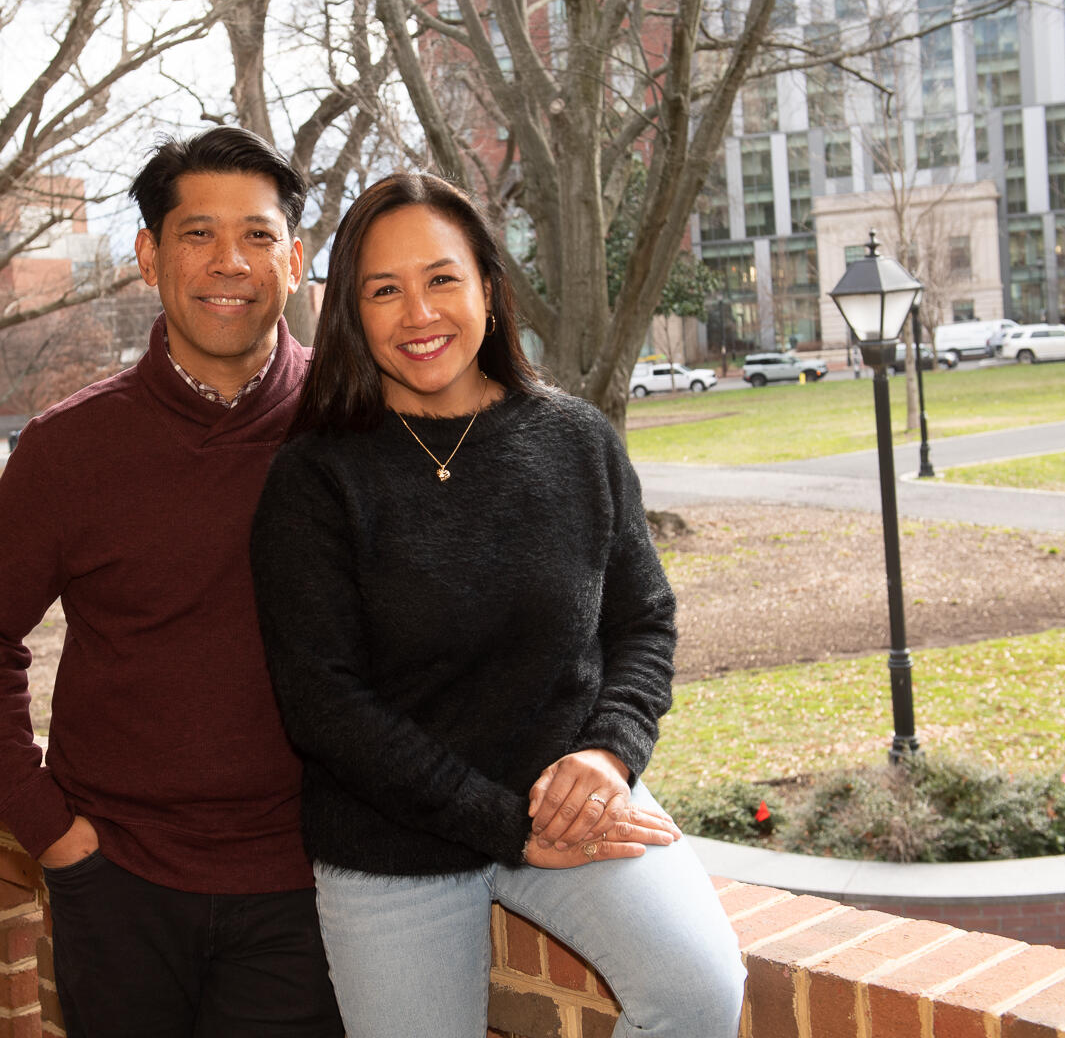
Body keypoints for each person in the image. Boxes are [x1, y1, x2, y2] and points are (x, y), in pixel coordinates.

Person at [249, 173, 745, 1038]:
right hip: (389, 842)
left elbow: (643, 622)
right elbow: (325, 706)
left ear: (487, 284)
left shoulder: (575, 439)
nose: (418, 313)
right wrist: (504, 827)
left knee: (699, 993)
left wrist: (612, 752)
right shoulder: (316, 479)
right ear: (352, 314)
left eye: (442, 278)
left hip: (569, 801)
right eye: (383, 290)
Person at [0, 127, 343, 1037]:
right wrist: (52, 834)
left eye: (259, 235)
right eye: (198, 234)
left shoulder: (353, 426)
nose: (230, 262)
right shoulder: (72, 448)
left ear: (296, 257)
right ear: (149, 255)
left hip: (306, 889)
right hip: (117, 886)